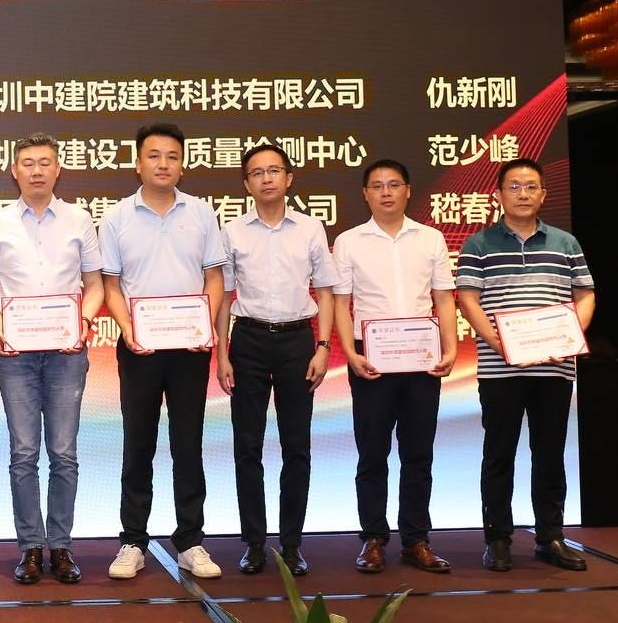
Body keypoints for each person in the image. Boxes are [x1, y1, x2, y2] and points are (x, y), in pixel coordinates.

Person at [0, 133, 105, 585]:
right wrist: (0, 325)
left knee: (64, 453)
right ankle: (30, 547)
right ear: (15, 170)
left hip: (67, 353)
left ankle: (62, 546)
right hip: (17, 356)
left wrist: (83, 322)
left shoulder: (79, 219)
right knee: (23, 453)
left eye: (45, 162)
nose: (36, 171)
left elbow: (95, 285)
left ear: (57, 169)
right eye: (27, 163)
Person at [97, 122, 225, 581]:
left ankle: (190, 540)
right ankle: (133, 540)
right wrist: (128, 328)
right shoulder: (116, 217)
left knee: (188, 444)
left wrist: (205, 324)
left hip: (190, 346)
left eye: (172, 156)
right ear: (138, 163)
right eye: (154, 156)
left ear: (182, 164)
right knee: (139, 444)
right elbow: (111, 285)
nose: (163, 164)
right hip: (140, 347)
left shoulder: (202, 213)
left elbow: (214, 278)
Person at [456, 157, 595, 572]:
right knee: (498, 454)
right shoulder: (479, 244)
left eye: (530, 186)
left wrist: (570, 336)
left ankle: (550, 537)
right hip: (500, 368)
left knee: (549, 454)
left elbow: (585, 294)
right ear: (498, 195)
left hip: (554, 367)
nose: (522, 194)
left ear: (543, 195)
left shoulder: (566, 243)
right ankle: (497, 539)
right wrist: (497, 341)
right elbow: (467, 298)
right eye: (513, 186)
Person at [216, 143, 340, 577]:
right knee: (247, 446)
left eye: (274, 170)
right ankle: (254, 543)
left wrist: (323, 346)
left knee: (296, 446)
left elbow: (326, 291)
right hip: (248, 340)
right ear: (246, 183)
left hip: (296, 342)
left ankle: (291, 545)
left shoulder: (310, 228)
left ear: (289, 178)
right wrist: (222, 353)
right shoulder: (233, 232)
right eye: (257, 172)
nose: (266, 178)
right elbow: (224, 297)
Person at [331, 160, 457, 575]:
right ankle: (373, 539)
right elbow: (342, 303)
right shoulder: (349, 241)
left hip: (422, 356)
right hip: (372, 357)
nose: (386, 192)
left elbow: (443, 298)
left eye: (393, 184)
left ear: (408, 190)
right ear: (365, 194)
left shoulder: (431, 238)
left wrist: (451, 347)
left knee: (418, 452)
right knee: (372, 452)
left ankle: (416, 540)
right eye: (377, 186)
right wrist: (349, 353)